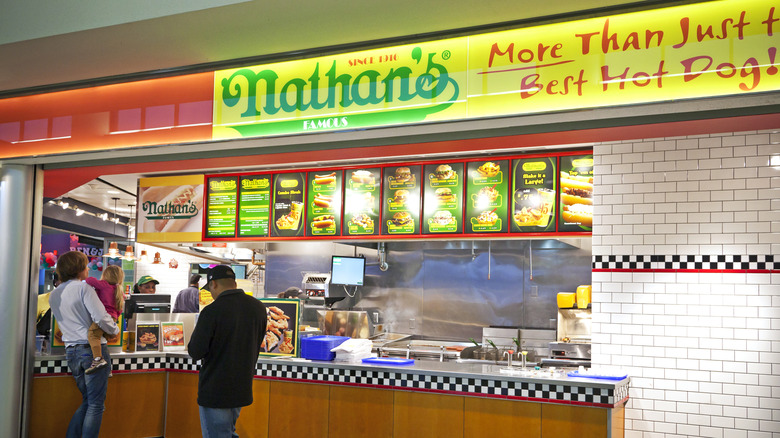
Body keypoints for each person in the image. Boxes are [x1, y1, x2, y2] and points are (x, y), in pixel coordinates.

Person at [188, 265, 266, 437]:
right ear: (234, 283)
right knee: (228, 432)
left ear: (213, 284)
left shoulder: (211, 311)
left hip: (216, 389)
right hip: (241, 386)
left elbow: (195, 351)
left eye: (209, 289)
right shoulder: (258, 308)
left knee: (218, 434)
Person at [48, 251, 119, 438]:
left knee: (88, 401)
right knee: (96, 404)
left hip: (71, 352)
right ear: (79, 269)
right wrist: (114, 330)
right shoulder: (84, 289)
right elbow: (101, 317)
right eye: (86, 266)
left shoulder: (54, 294)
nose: (88, 269)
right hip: (92, 350)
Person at [84, 265, 125, 374]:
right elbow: (120, 310)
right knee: (103, 339)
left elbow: (89, 280)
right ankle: (107, 369)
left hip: (103, 316)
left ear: (106, 275)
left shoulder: (104, 285)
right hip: (113, 318)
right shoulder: (119, 291)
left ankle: (98, 359)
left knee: (93, 334)